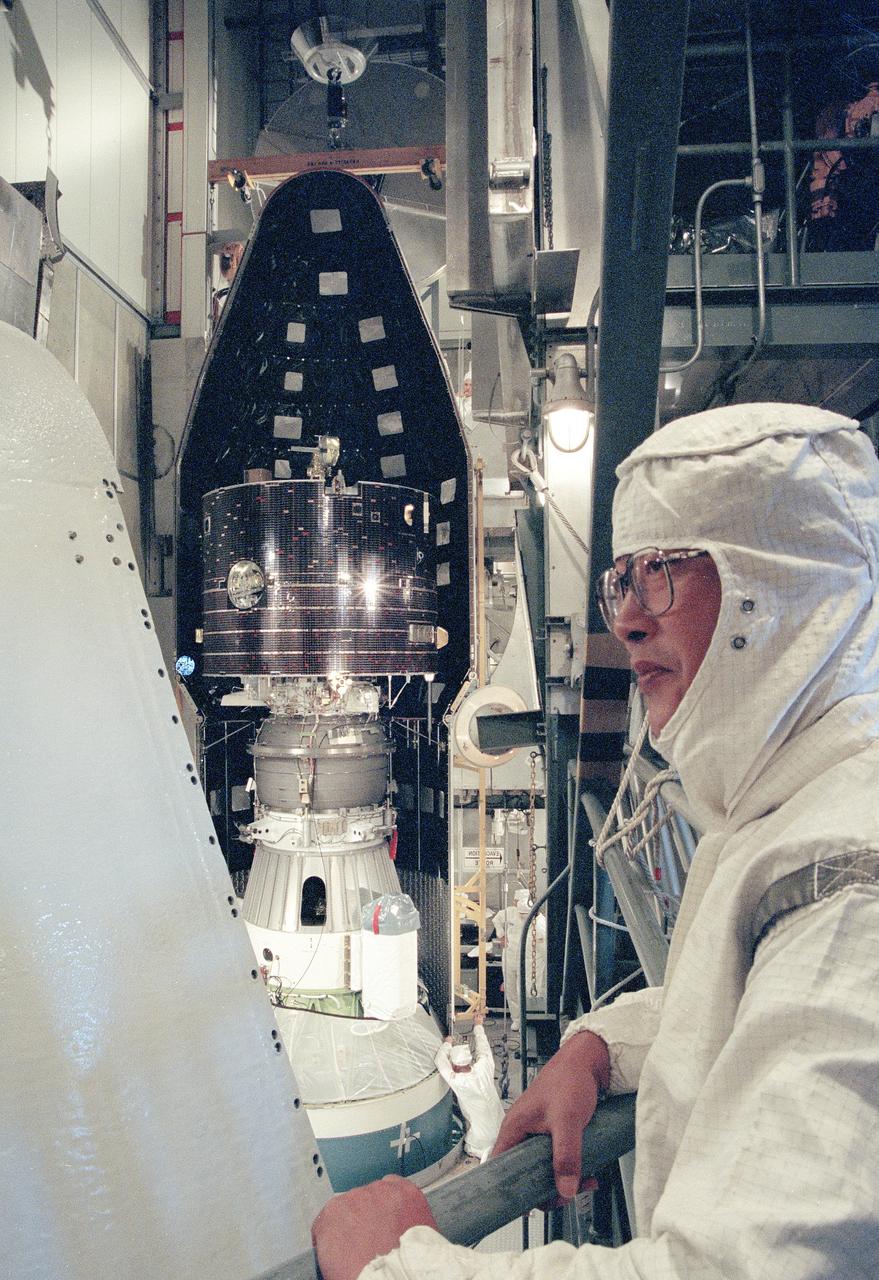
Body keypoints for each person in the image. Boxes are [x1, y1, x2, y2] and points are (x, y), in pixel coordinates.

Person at [312, 402, 879, 1280]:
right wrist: (601, 1046)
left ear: (783, 586)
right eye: (621, 582)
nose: (629, 622)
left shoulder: (847, 877)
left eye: (662, 572)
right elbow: (757, 997)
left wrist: (393, 1267)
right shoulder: (787, 811)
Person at [434, 1010, 505, 1161]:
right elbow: (483, 1049)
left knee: (470, 1145)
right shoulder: (484, 1068)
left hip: (481, 1141)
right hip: (503, 1131)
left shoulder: (459, 1082)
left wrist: (447, 1043)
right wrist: (478, 1026)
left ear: (455, 1066)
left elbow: (440, 1061)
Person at [492, 887, 547, 1031]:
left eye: (524, 914)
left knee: (526, 991)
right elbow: (497, 919)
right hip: (510, 957)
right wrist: (501, 935)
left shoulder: (540, 925)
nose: (521, 916)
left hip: (529, 963)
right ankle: (516, 1019)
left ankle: (527, 1020)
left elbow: (545, 951)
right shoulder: (511, 912)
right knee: (511, 990)